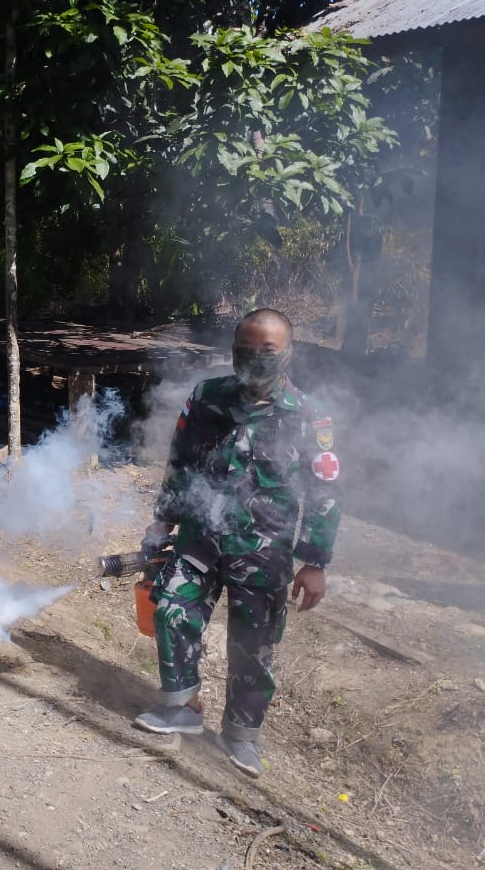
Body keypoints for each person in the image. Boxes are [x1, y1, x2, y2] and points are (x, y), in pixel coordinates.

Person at [133, 308, 340, 779]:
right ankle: (180, 706)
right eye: (246, 349)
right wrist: (161, 524)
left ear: (288, 353)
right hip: (200, 535)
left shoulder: (310, 417)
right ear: (232, 349)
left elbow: (325, 490)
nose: (256, 358)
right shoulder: (207, 397)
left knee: (253, 641)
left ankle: (241, 735)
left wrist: (315, 561)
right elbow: (180, 464)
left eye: (268, 351)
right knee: (171, 609)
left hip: (263, 549)